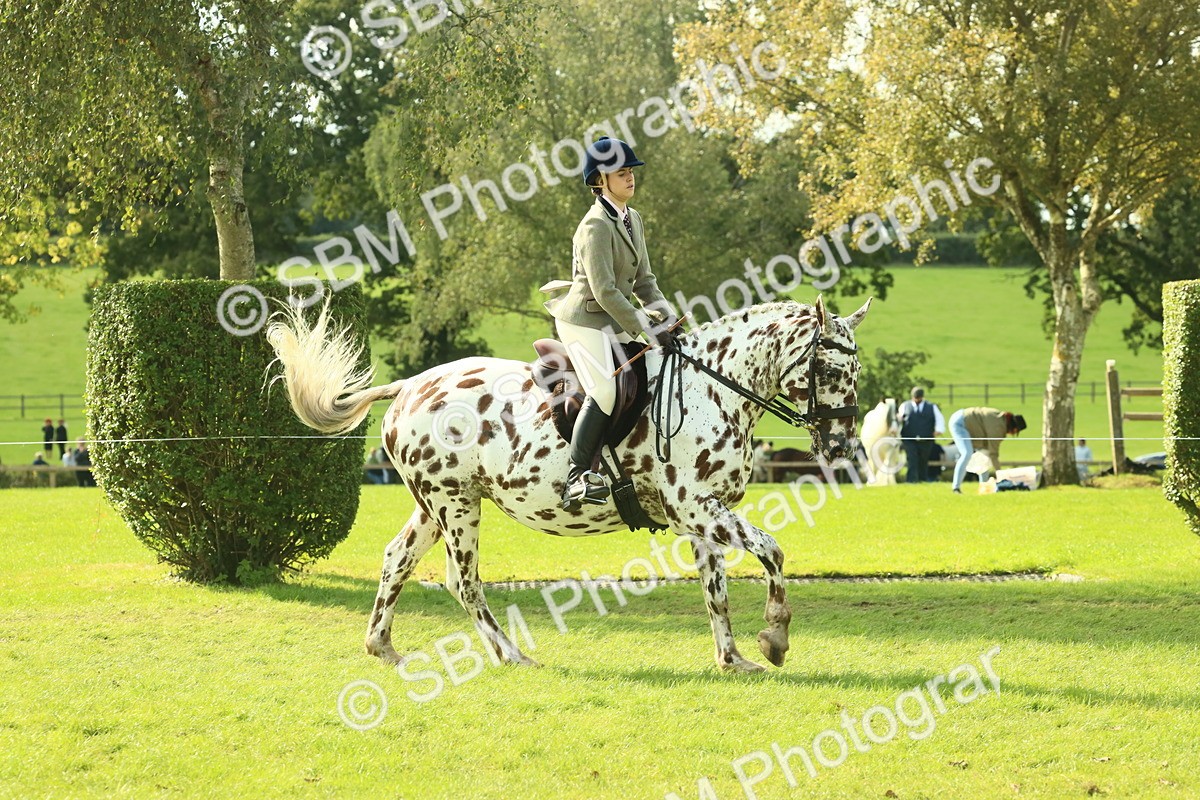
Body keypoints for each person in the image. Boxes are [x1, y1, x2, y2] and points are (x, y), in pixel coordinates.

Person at [542, 136, 677, 511]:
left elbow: (645, 282)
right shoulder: (595, 226)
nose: (631, 178)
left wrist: (668, 317)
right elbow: (603, 291)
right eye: (622, 173)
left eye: (631, 171)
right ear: (600, 180)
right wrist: (645, 327)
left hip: (615, 315)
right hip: (585, 319)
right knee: (605, 390)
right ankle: (576, 476)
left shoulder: (633, 219)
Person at [948, 407, 1027, 493]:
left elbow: (988, 452)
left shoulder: (1001, 420)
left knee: (984, 457)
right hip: (960, 423)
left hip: (964, 420)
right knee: (967, 453)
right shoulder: (999, 426)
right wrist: (1001, 475)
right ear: (1013, 427)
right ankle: (956, 488)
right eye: (1015, 431)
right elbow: (993, 454)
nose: (1013, 433)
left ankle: (983, 488)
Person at [896, 387, 945, 483]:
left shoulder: (931, 407)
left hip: (926, 439)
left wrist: (939, 430)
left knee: (923, 460)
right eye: (915, 397)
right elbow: (899, 419)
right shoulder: (905, 406)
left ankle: (922, 479)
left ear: (922, 397)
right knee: (912, 459)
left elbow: (940, 419)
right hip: (909, 439)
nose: (917, 400)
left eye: (918, 398)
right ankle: (911, 480)